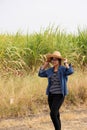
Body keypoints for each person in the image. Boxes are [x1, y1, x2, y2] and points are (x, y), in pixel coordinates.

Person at [38, 51, 74, 130]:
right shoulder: (50, 70)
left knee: (53, 114)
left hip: (60, 94)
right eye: (52, 60)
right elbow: (40, 74)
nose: (53, 61)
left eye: (55, 60)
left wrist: (66, 63)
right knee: (56, 114)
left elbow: (71, 71)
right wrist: (45, 64)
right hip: (51, 95)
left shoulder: (63, 69)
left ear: (59, 61)